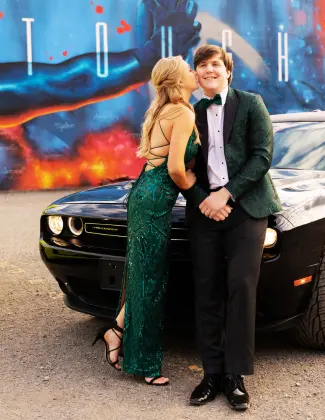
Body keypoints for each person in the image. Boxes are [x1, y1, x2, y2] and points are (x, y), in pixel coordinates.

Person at [92, 55, 221, 386]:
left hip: (144, 193)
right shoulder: (181, 111)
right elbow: (176, 169)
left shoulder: (161, 110)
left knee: (142, 272)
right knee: (150, 280)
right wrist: (200, 195)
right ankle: (145, 365)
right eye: (189, 69)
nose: (196, 72)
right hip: (153, 200)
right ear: (179, 80)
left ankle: (116, 332)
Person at [184, 45, 282, 411]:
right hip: (205, 212)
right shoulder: (189, 113)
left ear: (228, 71)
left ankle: (235, 376)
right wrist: (202, 200)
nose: (208, 70)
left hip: (247, 207)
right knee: (206, 287)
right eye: (201, 66)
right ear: (195, 75)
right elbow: (181, 168)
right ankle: (210, 374)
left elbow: (262, 156)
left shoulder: (251, 103)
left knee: (241, 285)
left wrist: (225, 195)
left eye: (215, 65)